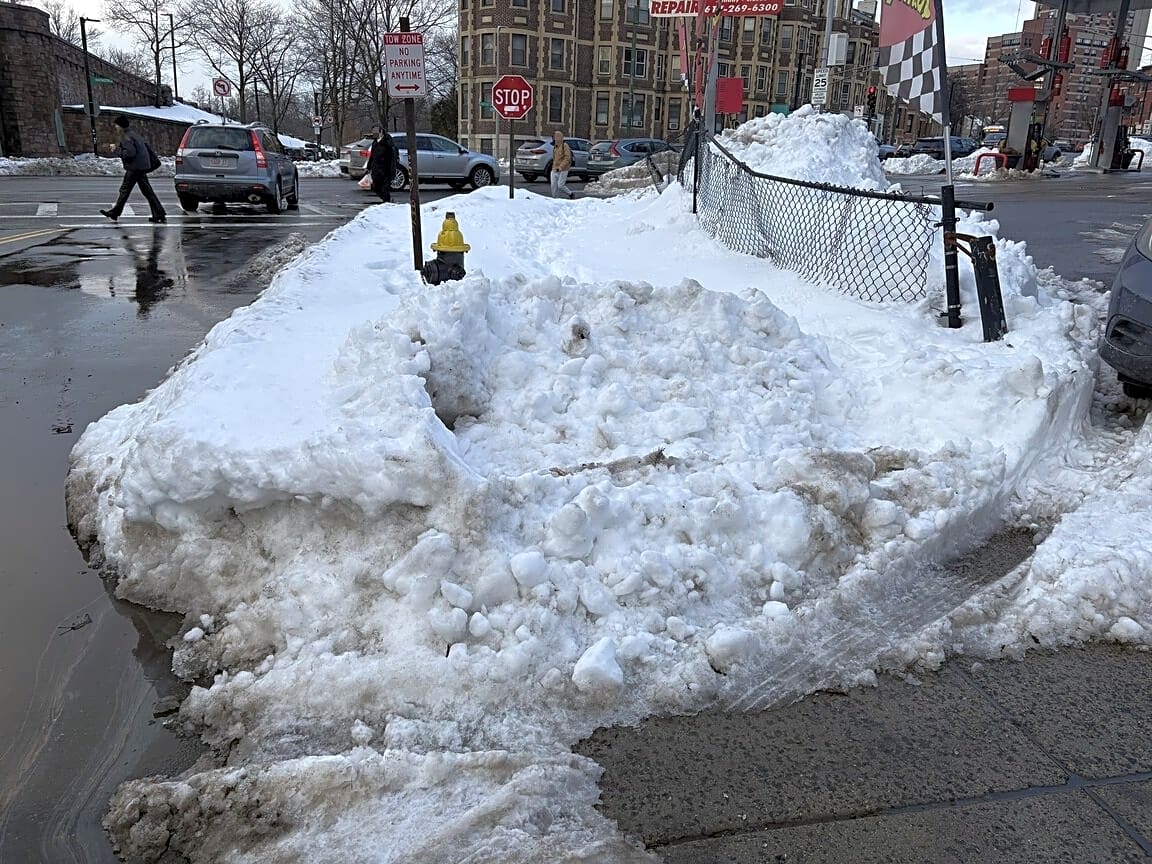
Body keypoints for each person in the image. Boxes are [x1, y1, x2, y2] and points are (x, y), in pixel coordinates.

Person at [100, 115, 166, 224]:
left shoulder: (126, 137)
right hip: (141, 166)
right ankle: (159, 213)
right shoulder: (133, 134)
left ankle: (115, 213)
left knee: (125, 190)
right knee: (147, 191)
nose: (115, 127)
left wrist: (116, 150)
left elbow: (130, 153)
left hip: (135, 168)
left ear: (120, 126)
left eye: (116, 125)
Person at [366, 125, 397, 203]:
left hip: (386, 169)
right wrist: (368, 167)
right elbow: (372, 156)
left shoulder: (388, 142)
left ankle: (387, 202)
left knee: (385, 188)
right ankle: (386, 200)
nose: (374, 134)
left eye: (376, 132)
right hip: (376, 169)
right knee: (375, 187)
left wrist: (392, 168)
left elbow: (393, 156)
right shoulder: (375, 142)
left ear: (381, 132)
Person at [549, 130, 575, 199]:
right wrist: (553, 167)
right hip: (554, 169)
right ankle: (555, 199)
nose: (553, 138)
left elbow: (567, 158)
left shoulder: (565, 146)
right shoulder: (555, 147)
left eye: (554, 137)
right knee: (553, 186)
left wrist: (561, 167)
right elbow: (554, 158)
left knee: (560, 185)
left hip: (563, 169)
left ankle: (570, 193)